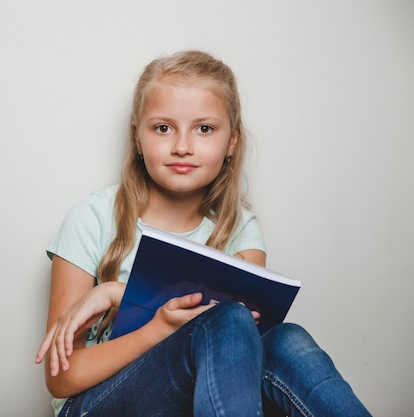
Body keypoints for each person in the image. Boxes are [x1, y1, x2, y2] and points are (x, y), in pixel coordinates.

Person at [35, 50, 371, 417]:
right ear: (137, 136)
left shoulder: (240, 228)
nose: (182, 146)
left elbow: (246, 343)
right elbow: (60, 379)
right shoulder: (93, 218)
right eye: (163, 128)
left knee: (285, 339)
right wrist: (157, 328)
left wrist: (115, 292)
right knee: (226, 318)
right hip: (97, 405)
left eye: (204, 128)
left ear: (232, 142)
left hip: (200, 395)